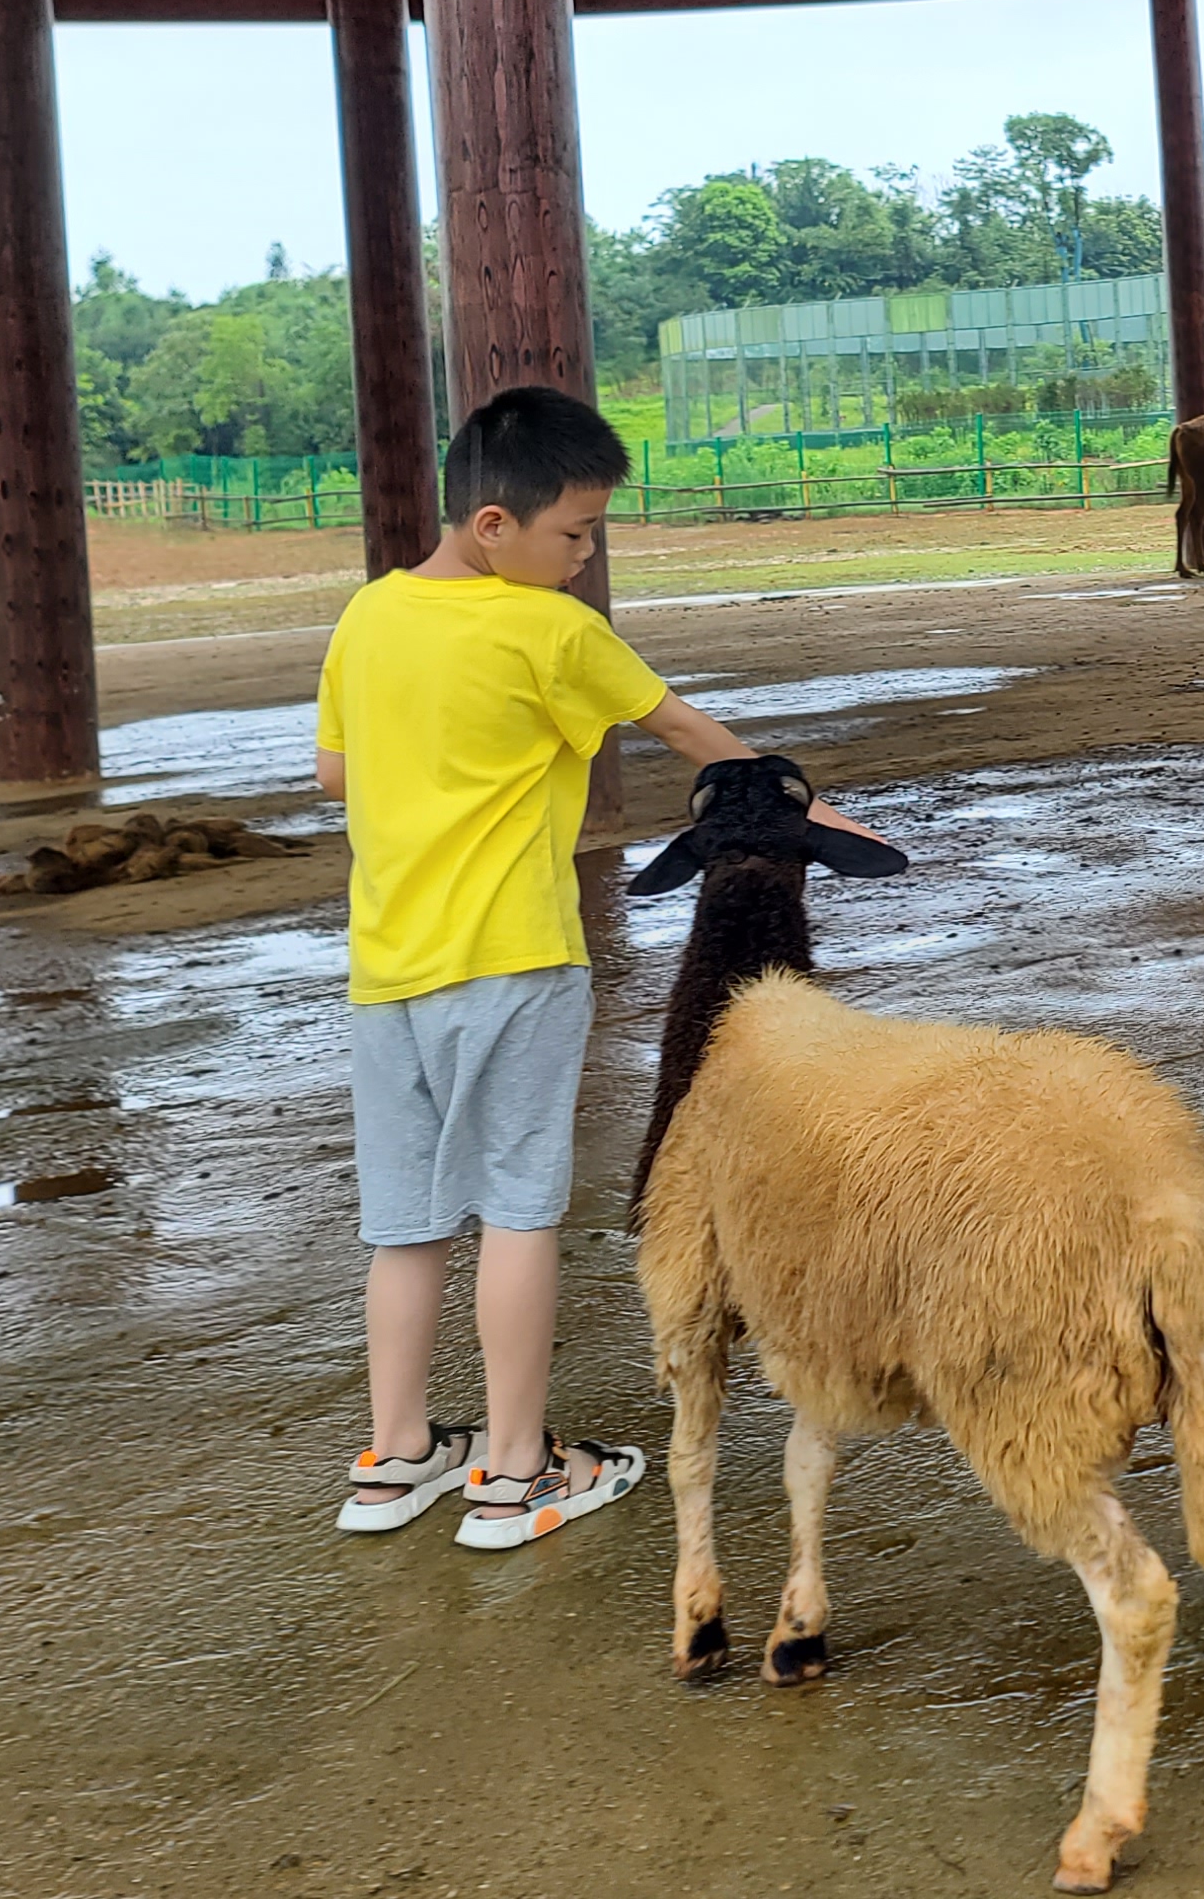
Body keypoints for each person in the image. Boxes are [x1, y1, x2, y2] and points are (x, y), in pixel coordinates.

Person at [315, 384, 884, 1545]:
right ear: (493, 526)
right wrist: (809, 804)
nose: (581, 560)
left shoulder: (368, 616)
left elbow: (334, 777)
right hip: (513, 964)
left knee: (406, 1225)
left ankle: (397, 1460)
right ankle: (518, 1474)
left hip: (387, 971)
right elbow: (688, 735)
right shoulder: (550, 632)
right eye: (573, 534)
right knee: (519, 1212)